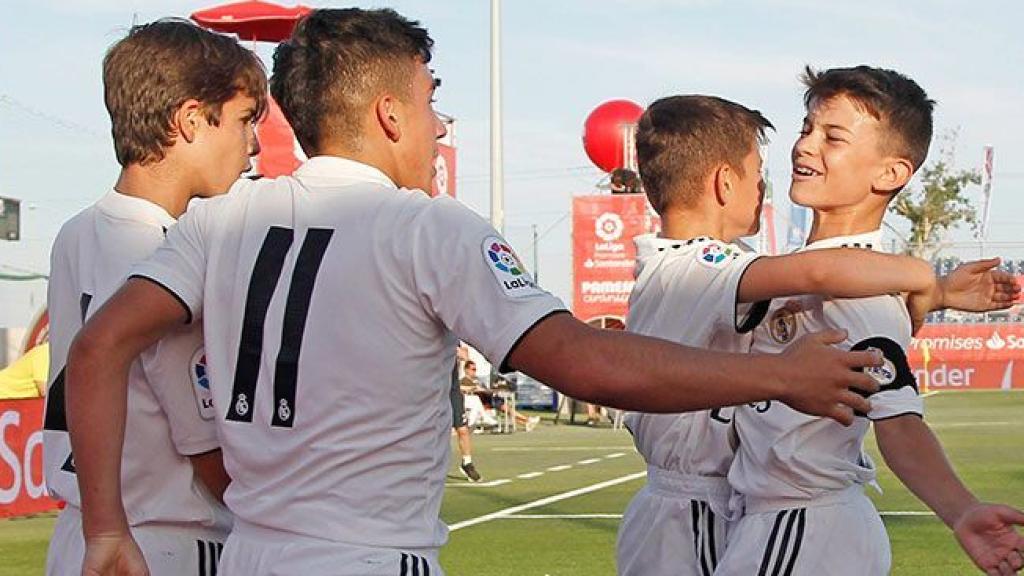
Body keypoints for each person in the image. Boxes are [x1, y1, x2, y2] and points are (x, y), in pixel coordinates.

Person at [65, 10, 885, 576]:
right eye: (431, 103)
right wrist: (778, 376)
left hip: (248, 553)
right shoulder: (429, 227)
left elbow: (99, 345)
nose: (440, 126)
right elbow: (580, 361)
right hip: (370, 556)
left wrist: (105, 527)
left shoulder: (218, 221)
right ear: (389, 114)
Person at [614, 94, 1018, 576]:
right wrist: (928, 282)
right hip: (730, 517)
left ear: (890, 172)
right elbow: (817, 277)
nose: (804, 146)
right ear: (724, 183)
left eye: (833, 137)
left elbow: (898, 418)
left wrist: (960, 508)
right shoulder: (733, 268)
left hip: (798, 526)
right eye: (807, 129)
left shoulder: (854, 288)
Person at [42, 19, 266, 576]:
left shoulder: (78, 230)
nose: (254, 145)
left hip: (82, 531)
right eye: (244, 120)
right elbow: (205, 445)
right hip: (166, 541)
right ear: (190, 120)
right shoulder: (169, 253)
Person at [451, 348, 482, 482]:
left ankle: (467, 463)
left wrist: (461, 353)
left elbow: (464, 354)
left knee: (463, 429)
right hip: (433, 388)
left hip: (453, 390)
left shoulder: (454, 340)